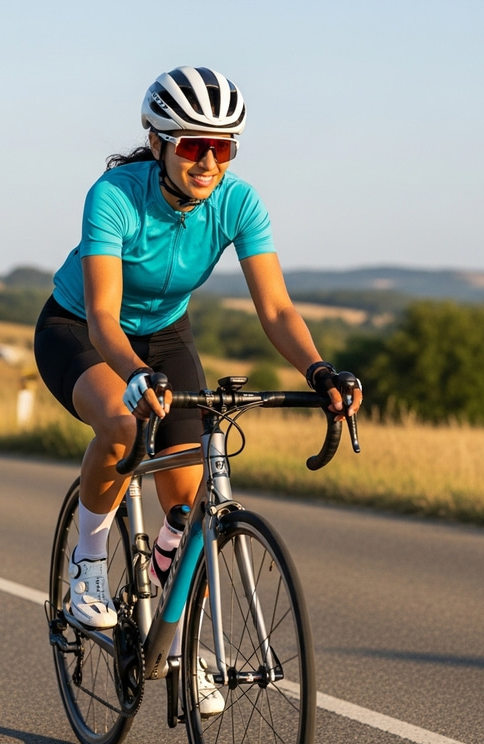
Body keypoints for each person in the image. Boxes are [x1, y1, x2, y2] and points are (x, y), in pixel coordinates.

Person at [34, 66, 362, 634]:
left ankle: (176, 633)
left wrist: (318, 369)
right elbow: (106, 316)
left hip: (167, 335)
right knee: (120, 425)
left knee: (186, 500)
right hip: (81, 328)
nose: (209, 161)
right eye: (193, 144)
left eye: (224, 146)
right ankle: (87, 564)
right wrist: (135, 374)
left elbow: (278, 310)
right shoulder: (115, 195)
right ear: (159, 142)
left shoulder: (238, 202)